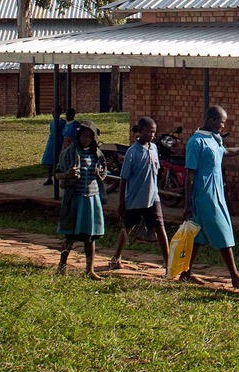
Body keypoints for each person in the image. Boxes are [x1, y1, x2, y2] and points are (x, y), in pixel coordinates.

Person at [182, 106, 239, 288]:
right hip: (204, 195)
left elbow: (225, 152)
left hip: (216, 191)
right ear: (212, 120)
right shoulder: (196, 142)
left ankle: (186, 272)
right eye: (221, 122)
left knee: (198, 235)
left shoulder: (214, 139)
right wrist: (188, 203)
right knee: (223, 229)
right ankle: (234, 276)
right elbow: (190, 175)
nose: (223, 126)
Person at [105, 117, 172, 277]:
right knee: (127, 228)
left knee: (160, 228)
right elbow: (124, 179)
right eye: (148, 131)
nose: (151, 135)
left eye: (154, 132)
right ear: (140, 131)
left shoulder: (154, 148)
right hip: (135, 198)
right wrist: (122, 203)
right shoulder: (132, 152)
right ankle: (116, 257)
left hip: (152, 197)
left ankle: (168, 263)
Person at [56, 119, 109, 279]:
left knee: (90, 236)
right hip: (75, 199)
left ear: (93, 139)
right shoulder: (68, 153)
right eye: (83, 136)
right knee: (70, 235)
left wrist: (101, 175)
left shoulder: (98, 155)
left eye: (89, 136)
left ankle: (89, 269)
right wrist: (68, 175)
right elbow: (58, 174)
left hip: (91, 199)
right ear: (79, 136)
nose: (86, 139)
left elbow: (104, 172)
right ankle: (62, 266)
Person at [41, 108, 66, 187]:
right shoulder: (52, 122)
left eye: (55, 112)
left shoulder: (63, 122)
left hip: (59, 142)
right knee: (49, 161)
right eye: (52, 112)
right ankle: (49, 178)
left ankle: (59, 178)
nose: (53, 114)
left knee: (59, 161)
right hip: (51, 142)